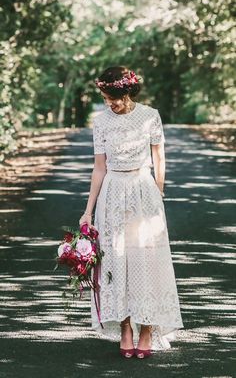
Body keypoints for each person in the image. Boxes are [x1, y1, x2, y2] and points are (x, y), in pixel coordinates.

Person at [79, 66, 184, 359]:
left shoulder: (150, 115)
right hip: (112, 193)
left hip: (142, 190)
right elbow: (99, 167)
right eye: (104, 97)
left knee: (146, 258)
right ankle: (125, 327)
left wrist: (158, 192)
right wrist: (88, 211)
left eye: (112, 97)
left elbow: (158, 156)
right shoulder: (101, 123)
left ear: (127, 91)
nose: (108, 103)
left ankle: (147, 327)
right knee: (116, 258)